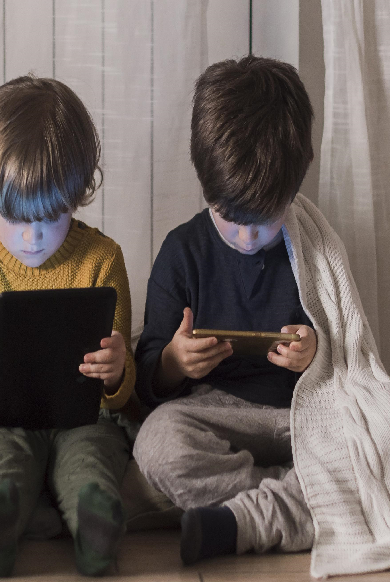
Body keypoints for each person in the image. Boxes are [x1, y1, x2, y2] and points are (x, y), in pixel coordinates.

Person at [0, 75, 135, 578]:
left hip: (85, 419)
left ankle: (95, 524)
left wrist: (115, 371)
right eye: (14, 216)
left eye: (51, 215)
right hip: (5, 419)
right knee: (1, 459)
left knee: (92, 458)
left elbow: (121, 392)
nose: (33, 236)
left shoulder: (103, 260)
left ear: (78, 194)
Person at [133, 55, 318, 565]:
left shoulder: (314, 249)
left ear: (294, 186)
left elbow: (351, 355)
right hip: (212, 415)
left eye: (263, 221)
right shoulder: (182, 251)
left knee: (375, 447)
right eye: (228, 217)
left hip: (299, 416)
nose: (244, 236)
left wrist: (315, 351)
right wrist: (174, 361)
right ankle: (294, 503)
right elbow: (147, 375)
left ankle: (239, 522)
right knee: (158, 441)